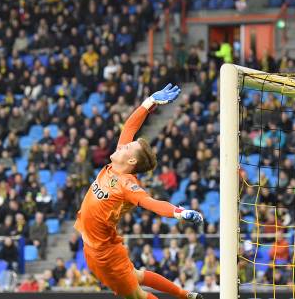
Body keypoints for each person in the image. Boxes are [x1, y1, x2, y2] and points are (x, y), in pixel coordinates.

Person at [74, 84, 204, 299]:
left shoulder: (127, 184)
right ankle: (185, 295)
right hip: (94, 246)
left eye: (126, 148)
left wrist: (178, 213)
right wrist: (149, 102)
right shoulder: (117, 163)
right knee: (137, 276)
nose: (121, 146)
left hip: (104, 253)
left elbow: (150, 203)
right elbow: (129, 129)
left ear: (131, 160)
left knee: (137, 296)